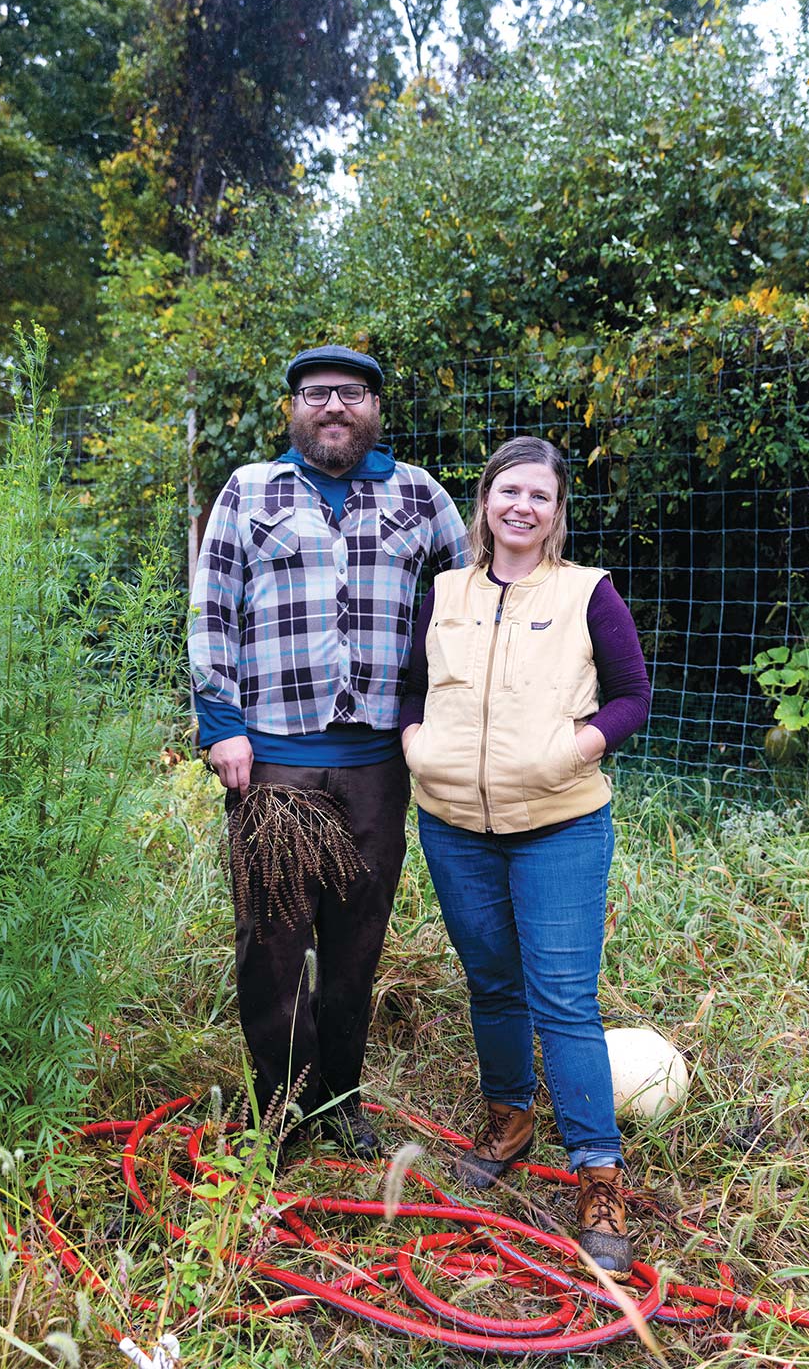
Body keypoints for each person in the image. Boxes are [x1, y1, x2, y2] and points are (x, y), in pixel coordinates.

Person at [189, 344, 468, 1154]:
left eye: (352, 393)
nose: (334, 407)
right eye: (317, 394)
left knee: (356, 940)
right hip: (272, 760)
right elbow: (212, 607)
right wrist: (222, 724)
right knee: (273, 943)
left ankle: (341, 1102)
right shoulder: (250, 490)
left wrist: (439, 705)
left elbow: (475, 593)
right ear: (293, 408)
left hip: (379, 764)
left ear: (376, 408)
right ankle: (280, 1111)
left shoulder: (419, 495)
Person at [399, 435, 651, 1278]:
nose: (523, 507)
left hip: (558, 824)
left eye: (539, 496)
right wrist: (416, 746)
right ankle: (508, 1119)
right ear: (486, 501)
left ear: (556, 512)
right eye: (510, 491)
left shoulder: (587, 592)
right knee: (492, 982)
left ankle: (597, 1173)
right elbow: (410, 687)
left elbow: (633, 696)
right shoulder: (445, 592)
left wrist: (572, 753)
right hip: (452, 824)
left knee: (564, 1000)